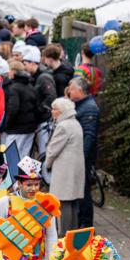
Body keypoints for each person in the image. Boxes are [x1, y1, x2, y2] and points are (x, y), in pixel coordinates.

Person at [44, 97, 85, 234]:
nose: (52, 112)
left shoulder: (63, 126)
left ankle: (64, 234)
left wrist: (47, 164)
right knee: (72, 202)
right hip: (75, 169)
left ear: (62, 111)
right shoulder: (75, 123)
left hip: (64, 170)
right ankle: (72, 232)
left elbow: (53, 149)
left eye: (55, 109)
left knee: (63, 201)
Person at [68, 77, 100, 228]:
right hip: (77, 156)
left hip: (82, 158)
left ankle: (85, 225)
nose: (69, 91)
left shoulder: (89, 108)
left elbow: (89, 135)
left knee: (83, 190)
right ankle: (80, 221)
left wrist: (81, 157)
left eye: (72, 88)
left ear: (80, 91)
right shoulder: (80, 105)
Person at [2, 60, 39, 158]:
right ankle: (23, 174)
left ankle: (12, 174)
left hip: (16, 129)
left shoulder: (14, 88)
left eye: (9, 70)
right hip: (30, 128)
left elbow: (13, 109)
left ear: (13, 72)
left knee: (11, 158)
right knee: (25, 158)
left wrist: (7, 124)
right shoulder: (30, 85)